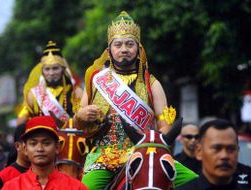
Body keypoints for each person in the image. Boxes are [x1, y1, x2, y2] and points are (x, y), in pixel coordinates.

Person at [75, 11, 197, 189]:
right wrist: (81, 116)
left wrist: (157, 142)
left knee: (194, 182)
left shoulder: (152, 83)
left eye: (129, 44)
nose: (124, 49)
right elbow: (79, 125)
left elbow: (165, 125)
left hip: (146, 152)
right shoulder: (95, 81)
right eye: (118, 44)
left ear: (138, 49)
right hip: (104, 157)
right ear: (109, 50)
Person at [2, 116, 88, 190]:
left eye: (46, 143)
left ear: (57, 147)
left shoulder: (76, 187)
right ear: (25, 149)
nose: (40, 149)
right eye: (33, 143)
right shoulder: (11, 187)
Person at [176, 119, 251, 190]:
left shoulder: (250, 180)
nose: (224, 156)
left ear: (238, 151)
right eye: (217, 149)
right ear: (199, 152)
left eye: (231, 149)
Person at [17, 40, 82, 125]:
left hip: (68, 137)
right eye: (47, 69)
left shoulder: (75, 92)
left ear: (63, 70)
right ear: (42, 71)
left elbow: (82, 120)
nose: (51, 73)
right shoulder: (33, 95)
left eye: (55, 68)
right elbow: (23, 118)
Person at [0, 124, 30, 190]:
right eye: (32, 143)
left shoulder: (43, 172)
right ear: (17, 146)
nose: (37, 148)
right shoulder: (4, 176)